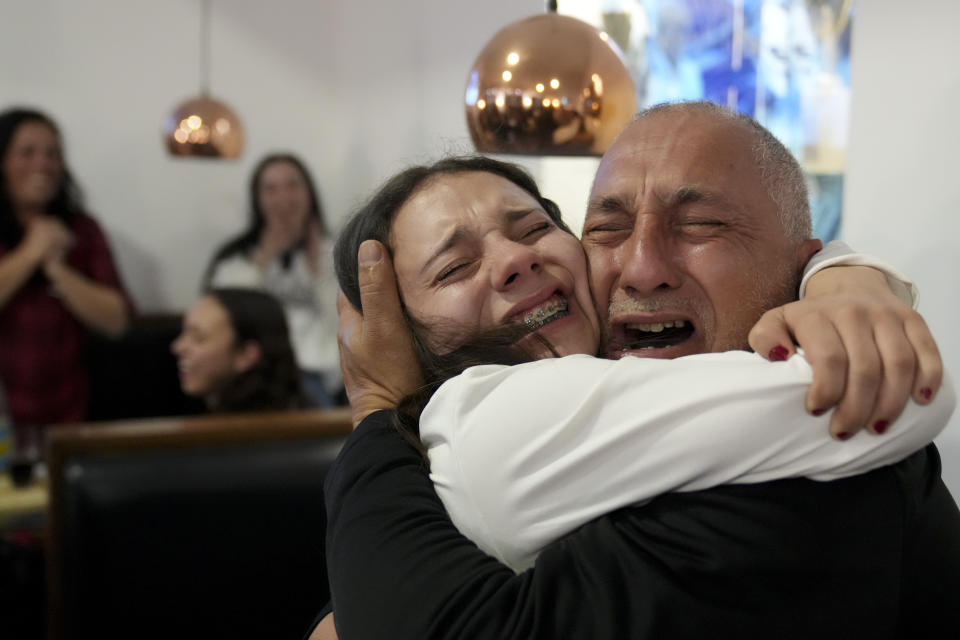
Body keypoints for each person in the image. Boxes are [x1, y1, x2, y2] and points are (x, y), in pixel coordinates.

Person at [323, 104, 960, 638]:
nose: (640, 266)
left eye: (702, 225)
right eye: (608, 227)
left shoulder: (814, 487)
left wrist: (840, 277)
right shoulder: (488, 425)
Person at [0, 108, 131, 427]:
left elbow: (117, 320)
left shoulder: (83, 230)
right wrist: (30, 253)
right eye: (27, 153)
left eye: (52, 154)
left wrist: (58, 269)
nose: (42, 165)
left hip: (69, 416)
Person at [203, 153, 339, 407]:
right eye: (271, 189)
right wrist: (264, 258)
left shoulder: (334, 252)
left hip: (327, 371)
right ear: (258, 199)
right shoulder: (236, 258)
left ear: (309, 193)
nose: (283, 198)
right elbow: (224, 315)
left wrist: (316, 267)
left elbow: (343, 321)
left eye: (292, 185)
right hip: (260, 370)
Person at [171, 288, 310, 413]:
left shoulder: (245, 435)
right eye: (184, 333)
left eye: (198, 337)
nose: (177, 347)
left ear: (246, 355)